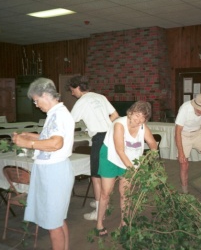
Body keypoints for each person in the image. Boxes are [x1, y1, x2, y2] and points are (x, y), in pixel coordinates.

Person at [12, 77, 75, 250]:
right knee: (57, 219)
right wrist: (30, 136)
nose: (36, 105)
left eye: (36, 100)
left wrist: (27, 144)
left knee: (52, 224)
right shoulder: (55, 113)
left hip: (53, 173)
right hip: (53, 171)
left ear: (45, 95)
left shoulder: (58, 115)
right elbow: (49, 138)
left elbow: (56, 144)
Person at [95, 101, 157, 236]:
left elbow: (152, 143)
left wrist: (151, 158)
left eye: (143, 117)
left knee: (126, 193)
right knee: (106, 193)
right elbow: (119, 150)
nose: (139, 119)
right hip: (110, 156)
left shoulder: (143, 127)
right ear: (130, 113)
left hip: (129, 159)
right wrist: (133, 170)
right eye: (137, 115)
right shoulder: (119, 124)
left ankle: (124, 222)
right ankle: (99, 222)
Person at [67, 75, 119, 221]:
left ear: (77, 87)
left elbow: (70, 122)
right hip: (111, 135)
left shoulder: (82, 101)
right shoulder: (100, 96)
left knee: (95, 177)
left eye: (72, 90)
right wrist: (105, 126)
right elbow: (115, 115)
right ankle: (104, 203)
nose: (72, 93)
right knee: (106, 173)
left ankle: (98, 213)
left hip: (100, 139)